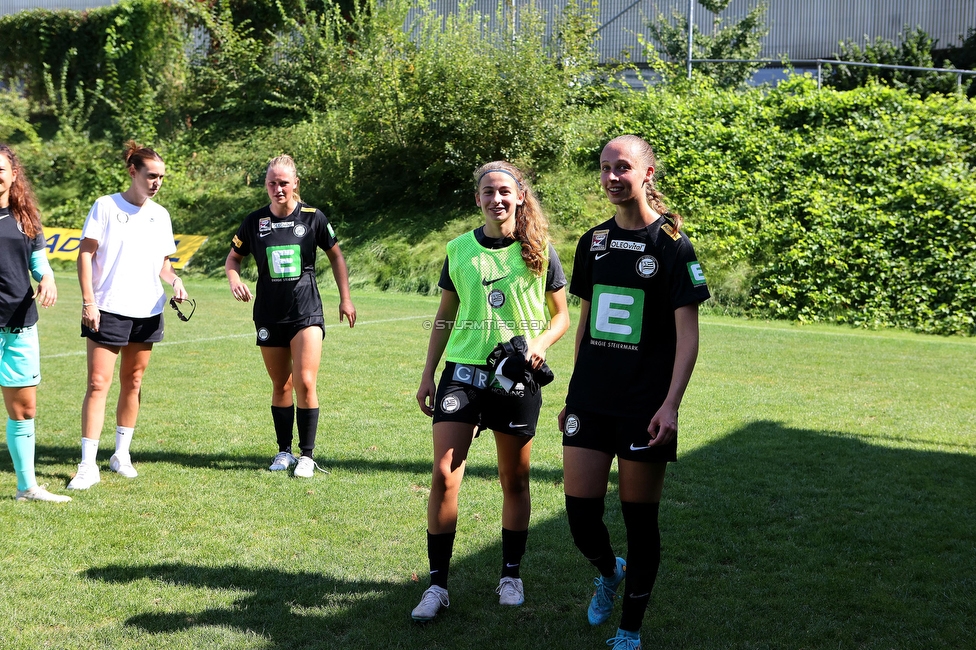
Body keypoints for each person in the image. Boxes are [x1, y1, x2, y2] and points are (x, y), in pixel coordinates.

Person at [557, 135, 710, 650]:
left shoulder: (672, 246)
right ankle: (608, 570)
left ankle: (629, 630)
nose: (611, 177)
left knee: (640, 522)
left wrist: (670, 405)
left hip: (646, 408)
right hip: (591, 402)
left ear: (647, 174)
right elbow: (583, 326)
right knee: (580, 518)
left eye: (623, 167)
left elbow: (688, 337)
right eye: (604, 168)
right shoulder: (592, 243)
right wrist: (574, 393)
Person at [411, 161, 570, 621]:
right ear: (477, 199)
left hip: (516, 375)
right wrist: (428, 372)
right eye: (487, 192)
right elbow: (444, 315)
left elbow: (561, 316)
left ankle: (511, 574)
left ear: (520, 196)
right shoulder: (459, 249)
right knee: (444, 473)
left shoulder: (539, 249)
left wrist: (538, 345)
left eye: (504, 191)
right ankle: (437, 586)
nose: (496, 199)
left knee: (514, 479)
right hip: (463, 372)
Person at [67, 142, 189, 490]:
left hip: (147, 311)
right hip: (107, 309)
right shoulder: (105, 207)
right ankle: (87, 465)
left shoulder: (160, 215)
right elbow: (85, 255)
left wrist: (176, 280)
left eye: (161, 177)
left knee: (133, 382)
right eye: (151, 175)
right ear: (132, 171)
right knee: (97, 384)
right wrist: (89, 302)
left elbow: (163, 264)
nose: (157, 183)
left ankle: (121, 455)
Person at [225, 154, 356, 478]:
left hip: (306, 311)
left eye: (283, 182)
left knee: (305, 382)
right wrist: (235, 279)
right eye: (272, 182)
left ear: (295, 183)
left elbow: (337, 257)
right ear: (266, 185)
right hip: (269, 313)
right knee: (281, 384)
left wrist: (346, 299)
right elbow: (233, 259)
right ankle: (284, 451)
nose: (277, 188)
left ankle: (307, 456)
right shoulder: (254, 221)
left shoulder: (313, 217)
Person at [0, 143, 71, 502]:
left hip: (19, 325)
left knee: (24, 409)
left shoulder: (26, 218)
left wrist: (48, 279)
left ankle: (26, 487)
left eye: (0, 169)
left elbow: (40, 264)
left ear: (13, 175)